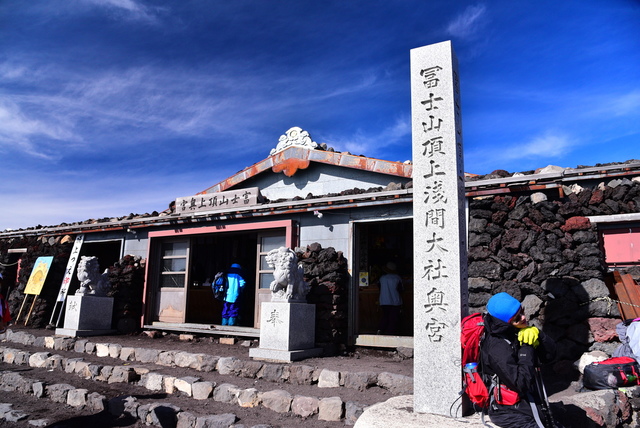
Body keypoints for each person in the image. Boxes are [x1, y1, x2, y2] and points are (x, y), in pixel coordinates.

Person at [481, 292, 560, 428]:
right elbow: (521, 384)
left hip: (531, 404)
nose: (524, 317)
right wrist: (527, 346)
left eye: (522, 310)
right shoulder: (496, 347)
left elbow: (549, 357)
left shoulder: (516, 330)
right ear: (505, 322)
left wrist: (539, 335)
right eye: (517, 318)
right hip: (508, 412)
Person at [378, 262, 403, 335]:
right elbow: (401, 289)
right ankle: (391, 332)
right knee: (394, 318)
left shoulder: (382, 278)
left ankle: (381, 330)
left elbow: (379, 288)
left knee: (385, 316)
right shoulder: (397, 278)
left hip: (384, 301)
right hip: (395, 300)